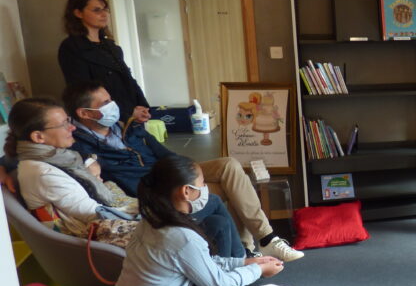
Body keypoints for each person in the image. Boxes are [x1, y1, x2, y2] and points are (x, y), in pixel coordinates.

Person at [63, 81, 304, 261]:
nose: (112, 106)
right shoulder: (82, 146)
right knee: (219, 193)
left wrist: (190, 171)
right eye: (104, 104)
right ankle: (248, 247)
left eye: (110, 100)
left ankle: (265, 239)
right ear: (84, 114)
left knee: (229, 166)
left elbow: (167, 155)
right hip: (154, 189)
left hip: (172, 173)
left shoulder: (126, 128)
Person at [102, 155, 285, 286]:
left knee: (225, 283)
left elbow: (200, 263)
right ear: (186, 191)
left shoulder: (151, 219)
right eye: (202, 184)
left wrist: (244, 263)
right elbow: (218, 284)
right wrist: (258, 270)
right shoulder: (181, 237)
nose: (205, 189)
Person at [3, 98, 138, 239]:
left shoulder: (56, 156)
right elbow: (94, 213)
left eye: (68, 120)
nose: (72, 127)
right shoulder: (44, 173)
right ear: (38, 137)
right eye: (63, 124)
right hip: (91, 235)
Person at [58, 0, 151, 124]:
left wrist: (143, 106)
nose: (104, 14)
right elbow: (84, 92)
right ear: (78, 13)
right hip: (103, 119)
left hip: (130, 115)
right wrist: (128, 111)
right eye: (96, 10)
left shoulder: (111, 46)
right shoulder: (71, 47)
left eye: (105, 10)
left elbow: (128, 79)